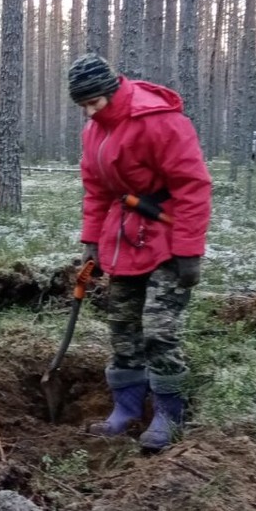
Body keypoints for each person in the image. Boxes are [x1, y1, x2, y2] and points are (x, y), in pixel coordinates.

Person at [69, 53, 211, 452]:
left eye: (94, 102)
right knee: (123, 326)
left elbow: (193, 186)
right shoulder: (93, 131)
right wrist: (92, 243)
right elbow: (96, 191)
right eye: (82, 105)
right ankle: (126, 409)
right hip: (123, 239)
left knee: (159, 328)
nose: (89, 111)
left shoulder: (161, 121)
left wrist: (188, 250)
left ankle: (169, 412)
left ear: (112, 91)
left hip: (166, 236)